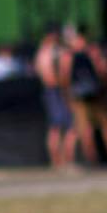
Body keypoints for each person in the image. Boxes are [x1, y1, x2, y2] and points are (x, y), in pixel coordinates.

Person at [61, 26, 107, 165]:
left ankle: (92, 161)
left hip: (79, 95)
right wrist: (106, 88)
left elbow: (65, 77)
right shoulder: (93, 51)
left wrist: (67, 95)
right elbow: (103, 72)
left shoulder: (68, 55)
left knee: (85, 129)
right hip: (96, 93)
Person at [34, 28, 76, 170]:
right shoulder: (56, 51)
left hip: (50, 90)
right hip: (58, 89)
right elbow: (63, 73)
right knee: (68, 127)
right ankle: (64, 161)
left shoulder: (41, 52)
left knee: (56, 127)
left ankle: (58, 161)